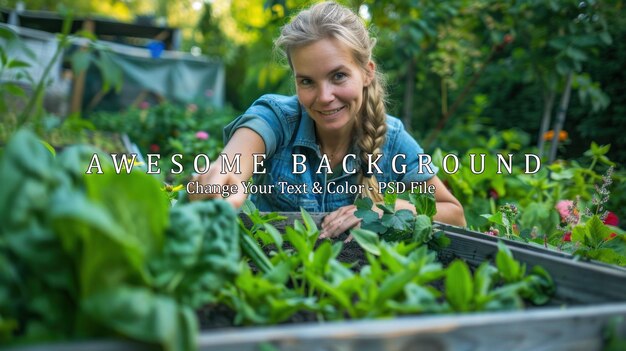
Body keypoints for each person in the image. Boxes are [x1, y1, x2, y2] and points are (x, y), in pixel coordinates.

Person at [190, 1, 466, 239]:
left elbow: (454, 214)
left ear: (367, 73)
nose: (324, 97)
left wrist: (387, 210)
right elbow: (239, 155)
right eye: (307, 81)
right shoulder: (278, 118)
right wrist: (224, 177)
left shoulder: (391, 139)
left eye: (338, 76)